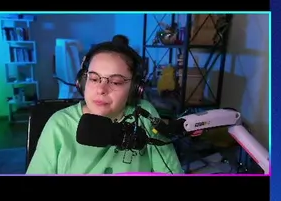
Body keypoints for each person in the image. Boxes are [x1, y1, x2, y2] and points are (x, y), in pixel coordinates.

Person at [26, 35, 185, 175]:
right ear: (83, 82)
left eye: (115, 82)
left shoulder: (144, 114)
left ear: (134, 88)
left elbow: (170, 171)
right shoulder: (60, 124)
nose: (101, 89)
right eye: (94, 79)